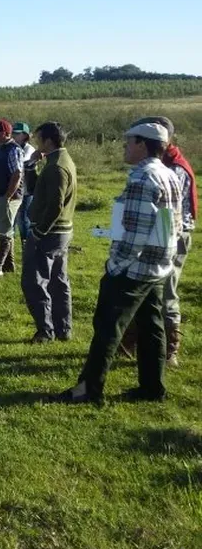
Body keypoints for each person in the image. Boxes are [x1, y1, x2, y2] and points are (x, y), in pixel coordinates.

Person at [56, 121, 182, 404]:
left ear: (142, 144)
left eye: (129, 141)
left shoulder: (142, 178)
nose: (124, 146)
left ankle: (89, 389)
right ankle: (152, 388)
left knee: (107, 327)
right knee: (152, 327)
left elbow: (136, 233)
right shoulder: (169, 175)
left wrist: (116, 265)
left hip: (133, 269)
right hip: (158, 265)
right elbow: (171, 223)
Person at [120, 116, 196, 367]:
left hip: (170, 236)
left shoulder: (174, 167)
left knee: (166, 292)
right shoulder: (163, 164)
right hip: (155, 233)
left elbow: (168, 213)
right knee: (147, 289)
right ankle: (133, 341)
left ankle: (170, 349)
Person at [22, 122, 76, 343]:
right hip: (61, 231)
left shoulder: (56, 167)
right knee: (58, 280)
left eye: (38, 138)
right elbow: (37, 190)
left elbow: (55, 205)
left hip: (50, 231)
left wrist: (38, 232)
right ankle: (63, 329)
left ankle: (46, 331)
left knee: (35, 281)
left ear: (48, 141)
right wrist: (31, 166)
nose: (35, 142)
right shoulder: (58, 161)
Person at [0, 119, 25, 278]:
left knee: (4, 234)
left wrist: (7, 197)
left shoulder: (12, 150)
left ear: (3, 133)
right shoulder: (1, 149)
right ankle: (9, 265)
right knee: (6, 230)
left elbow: (17, 174)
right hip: (2, 195)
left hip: (9, 197)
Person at [12, 122, 37, 245]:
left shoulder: (29, 149)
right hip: (16, 189)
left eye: (18, 133)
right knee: (14, 220)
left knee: (24, 220)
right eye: (13, 133)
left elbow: (23, 163)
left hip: (26, 190)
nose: (14, 135)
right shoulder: (14, 147)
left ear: (25, 135)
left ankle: (26, 245)